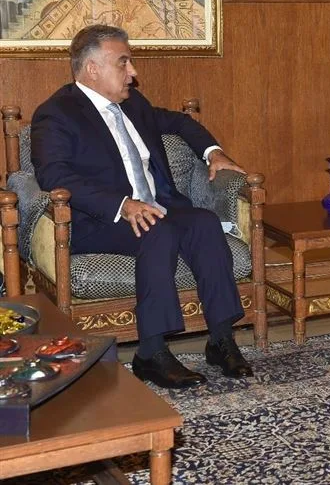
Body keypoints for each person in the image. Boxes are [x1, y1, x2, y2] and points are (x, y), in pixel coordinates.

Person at [31, 24, 254, 388]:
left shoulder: (133, 103)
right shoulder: (56, 113)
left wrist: (214, 153)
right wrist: (122, 204)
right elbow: (54, 175)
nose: (133, 72)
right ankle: (151, 352)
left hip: (156, 206)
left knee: (203, 223)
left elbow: (179, 122)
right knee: (157, 231)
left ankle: (221, 338)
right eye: (124, 62)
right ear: (92, 69)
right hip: (100, 219)